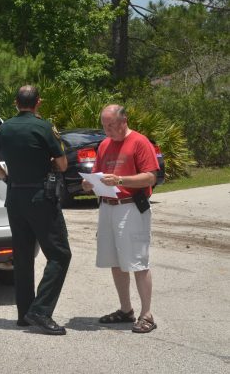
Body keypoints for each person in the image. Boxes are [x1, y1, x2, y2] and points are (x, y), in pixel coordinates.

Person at [0, 85, 72, 335]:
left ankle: (24, 314)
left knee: (22, 257)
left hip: (15, 197)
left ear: (16, 103)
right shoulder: (44, 127)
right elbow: (63, 164)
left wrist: (5, 177)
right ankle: (41, 311)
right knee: (59, 254)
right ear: (38, 103)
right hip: (40, 197)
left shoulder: (5, 127)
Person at [82, 104, 160, 334]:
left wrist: (120, 181)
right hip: (108, 206)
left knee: (137, 261)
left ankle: (147, 314)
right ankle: (126, 310)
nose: (107, 130)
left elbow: (150, 177)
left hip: (131, 207)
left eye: (111, 125)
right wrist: (89, 184)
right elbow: (97, 174)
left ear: (124, 120)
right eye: (104, 126)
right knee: (115, 260)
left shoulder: (139, 141)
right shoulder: (105, 144)